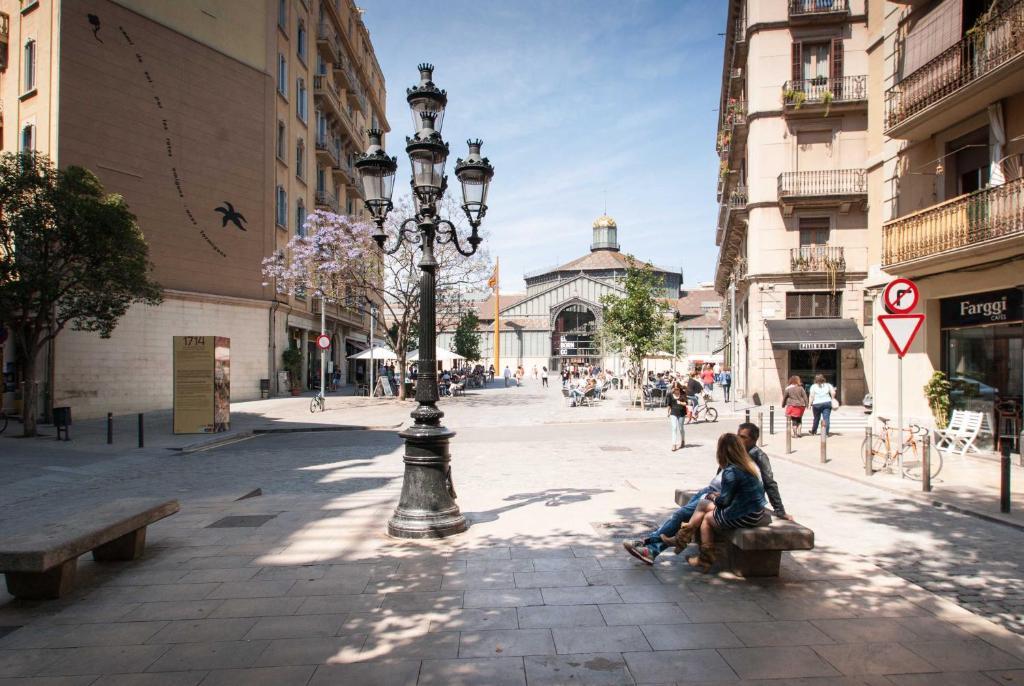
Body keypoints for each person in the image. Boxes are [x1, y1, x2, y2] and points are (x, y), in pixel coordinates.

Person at [623, 420, 790, 566]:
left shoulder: (757, 456)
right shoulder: (736, 453)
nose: (740, 439)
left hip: (727, 500)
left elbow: (769, 483)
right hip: (712, 491)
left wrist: (780, 511)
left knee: (681, 515)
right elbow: (721, 475)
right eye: (738, 435)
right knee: (683, 514)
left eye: (744, 437)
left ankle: (651, 547)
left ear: (754, 439)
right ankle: (651, 543)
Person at [662, 433, 769, 573]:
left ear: (722, 451)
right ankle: (695, 552)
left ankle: (687, 544)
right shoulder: (747, 465)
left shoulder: (731, 471)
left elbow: (724, 502)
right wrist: (717, 496)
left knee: (705, 514)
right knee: (703, 507)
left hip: (745, 514)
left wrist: (713, 496)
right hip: (755, 510)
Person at [666, 383, 689, 451]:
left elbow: (686, 403)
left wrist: (680, 403)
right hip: (673, 413)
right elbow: (669, 404)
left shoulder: (683, 394)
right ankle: (674, 444)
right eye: (675, 389)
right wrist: (668, 412)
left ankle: (683, 441)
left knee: (681, 428)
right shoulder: (670, 394)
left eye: (677, 389)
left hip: (681, 413)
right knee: (674, 428)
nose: (676, 390)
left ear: (679, 388)